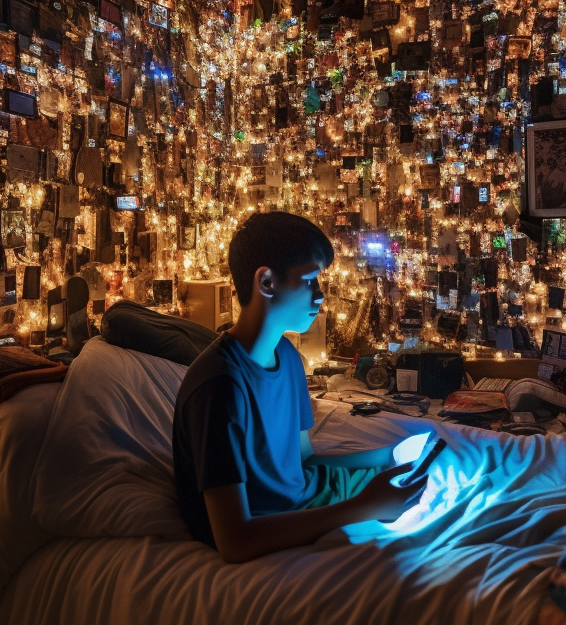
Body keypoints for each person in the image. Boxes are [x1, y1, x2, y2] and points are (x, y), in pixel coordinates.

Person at [172, 211, 428, 563]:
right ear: (266, 283)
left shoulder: (288, 357)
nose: (320, 295)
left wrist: (389, 455)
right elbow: (234, 541)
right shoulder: (219, 388)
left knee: (438, 473)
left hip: (309, 495)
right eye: (309, 281)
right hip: (272, 526)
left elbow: (304, 460)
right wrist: (363, 507)